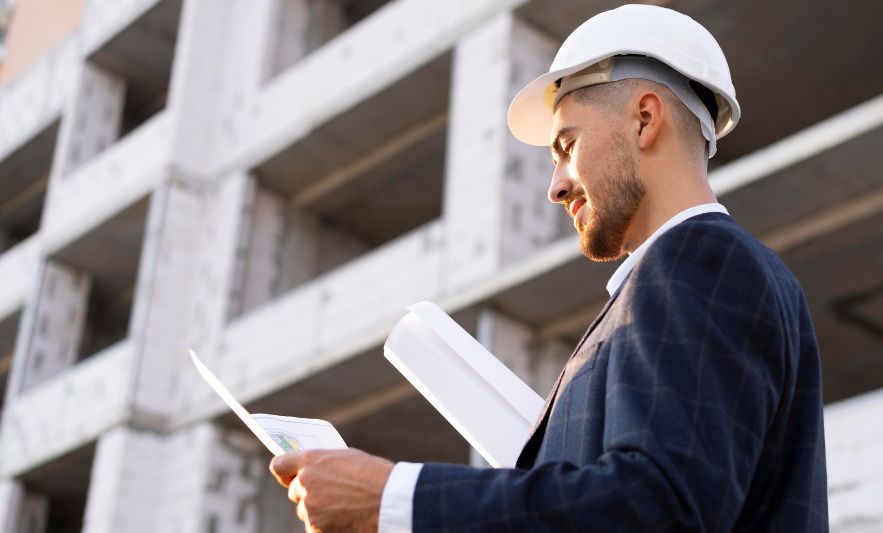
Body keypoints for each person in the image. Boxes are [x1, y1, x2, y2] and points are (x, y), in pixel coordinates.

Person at [270, 5, 828, 532]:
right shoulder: (688, 274)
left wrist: (391, 497)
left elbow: (658, 508)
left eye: (568, 144)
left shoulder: (699, 261)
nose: (555, 186)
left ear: (644, 119)